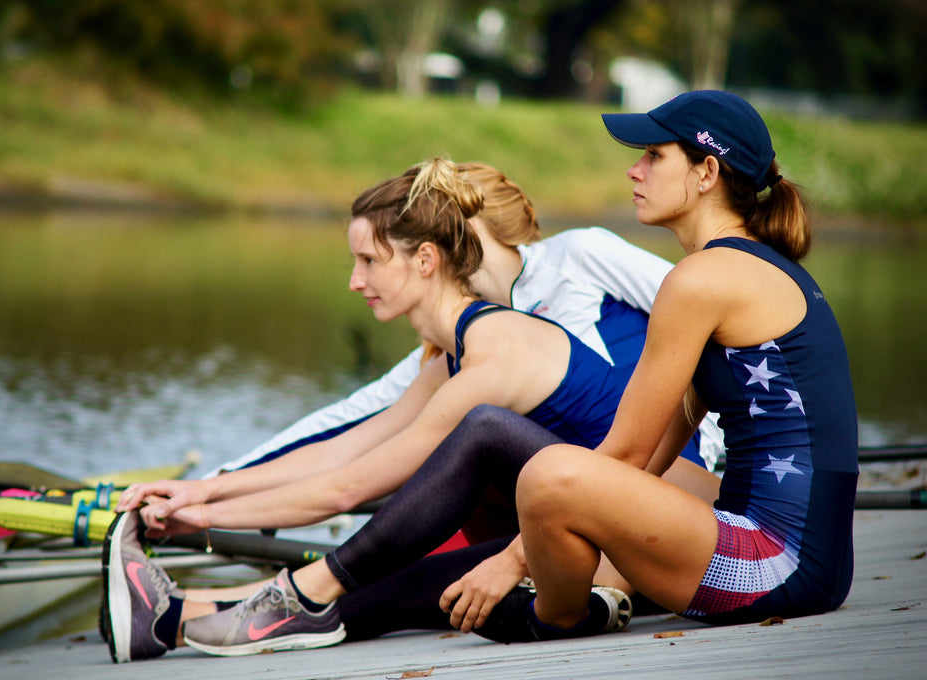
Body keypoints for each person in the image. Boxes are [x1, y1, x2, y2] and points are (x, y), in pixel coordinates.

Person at [102, 158, 717, 663]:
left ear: (426, 260)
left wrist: (203, 518)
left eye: (369, 261)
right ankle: (169, 620)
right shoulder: (449, 358)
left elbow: (345, 488)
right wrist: (198, 496)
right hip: (570, 535)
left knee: (452, 484)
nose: (353, 280)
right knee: (397, 590)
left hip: (666, 530)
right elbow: (339, 448)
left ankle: (273, 599)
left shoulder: (499, 349)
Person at [468, 90, 859, 642]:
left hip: (770, 566)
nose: (634, 169)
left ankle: (555, 614)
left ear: (706, 172)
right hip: (818, 561)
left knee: (547, 474)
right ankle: (600, 586)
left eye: (654, 156)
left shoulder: (699, 281)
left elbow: (622, 455)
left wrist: (511, 559)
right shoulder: (753, 266)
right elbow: (651, 453)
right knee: (627, 469)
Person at [207, 162, 723, 478]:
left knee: (461, 441)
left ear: (463, 222)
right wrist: (226, 476)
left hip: (678, 466)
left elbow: (713, 319)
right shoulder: (462, 328)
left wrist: (724, 443)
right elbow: (363, 412)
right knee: (440, 446)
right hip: (571, 478)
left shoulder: (581, 255)